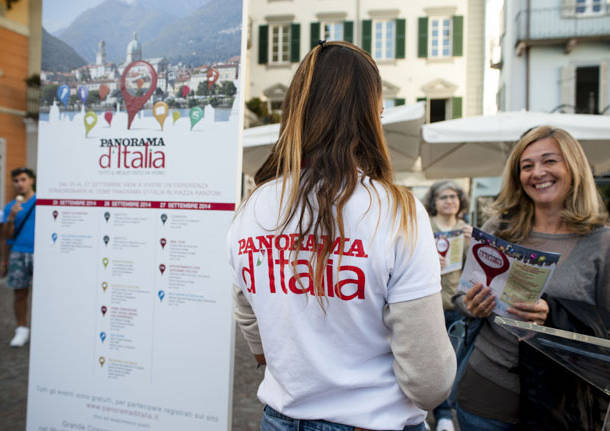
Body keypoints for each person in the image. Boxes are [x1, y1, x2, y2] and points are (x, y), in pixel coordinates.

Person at [228, 41, 456, 431]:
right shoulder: (397, 211)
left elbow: (248, 316)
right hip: (374, 420)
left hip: (281, 419)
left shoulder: (253, 207)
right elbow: (429, 382)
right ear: (370, 115)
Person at [453, 126, 610, 430]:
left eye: (550, 161)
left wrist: (553, 314)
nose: (537, 172)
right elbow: (459, 296)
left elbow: (605, 328)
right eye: (527, 166)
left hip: (561, 405)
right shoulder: (499, 227)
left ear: (573, 166)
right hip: (485, 395)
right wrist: (471, 305)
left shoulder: (602, 243)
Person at [422, 181, 472, 431]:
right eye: (443, 197)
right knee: (433, 363)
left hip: (458, 305)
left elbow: (474, 270)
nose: (449, 201)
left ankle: (448, 412)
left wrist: (475, 245)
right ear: (434, 202)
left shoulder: (467, 231)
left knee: (456, 362)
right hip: (429, 304)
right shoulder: (424, 227)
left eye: (454, 196)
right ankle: (441, 414)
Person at [2, 167, 37, 347]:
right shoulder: (9, 207)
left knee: (44, 294)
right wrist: (12, 217)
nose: (20, 184)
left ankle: (45, 328)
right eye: (16, 181)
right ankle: (21, 329)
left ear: (31, 180)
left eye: (23, 179)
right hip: (17, 252)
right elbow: (6, 236)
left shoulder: (42, 202)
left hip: (40, 253)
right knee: (20, 293)